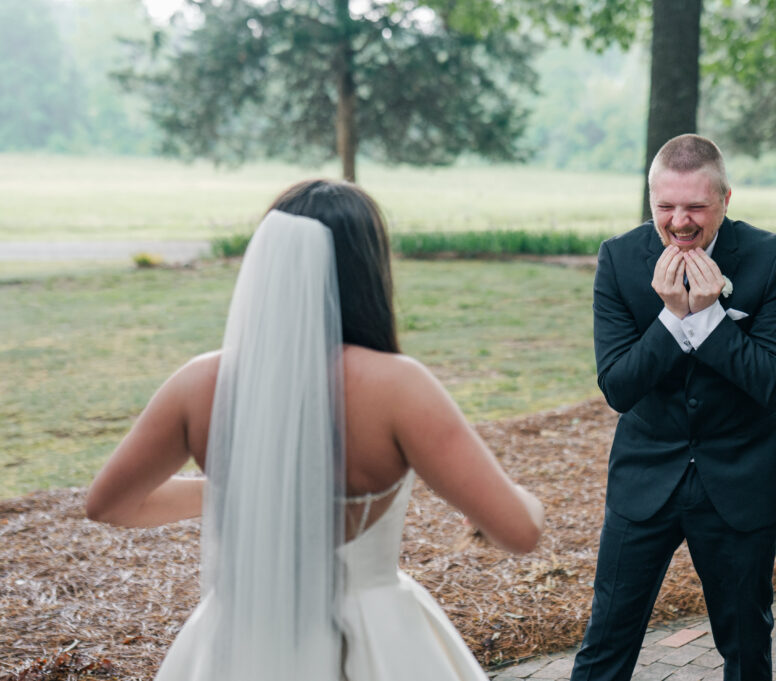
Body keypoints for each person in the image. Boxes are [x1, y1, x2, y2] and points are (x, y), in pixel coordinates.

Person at [85, 179, 544, 681]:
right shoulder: (397, 387)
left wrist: (241, 491)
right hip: (372, 643)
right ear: (369, 269)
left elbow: (109, 504)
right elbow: (520, 533)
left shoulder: (198, 384)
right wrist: (515, 496)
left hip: (239, 642)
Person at [570, 135, 776, 681]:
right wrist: (674, 319)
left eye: (695, 206)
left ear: (725, 198)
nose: (678, 221)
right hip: (644, 478)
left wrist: (708, 317)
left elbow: (771, 383)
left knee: (746, 646)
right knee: (605, 645)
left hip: (740, 481)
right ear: (650, 200)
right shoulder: (620, 258)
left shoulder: (771, 258)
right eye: (665, 207)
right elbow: (619, 387)